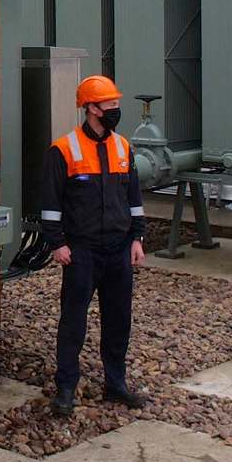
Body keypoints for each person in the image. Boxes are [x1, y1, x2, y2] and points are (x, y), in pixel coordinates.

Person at [38, 74, 147, 415]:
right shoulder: (63, 150)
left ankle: (116, 385)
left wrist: (137, 237)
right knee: (73, 322)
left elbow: (134, 198)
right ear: (91, 108)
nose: (115, 109)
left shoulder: (123, 147)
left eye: (116, 103)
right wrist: (57, 243)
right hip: (81, 252)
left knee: (118, 320)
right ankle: (66, 389)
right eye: (110, 104)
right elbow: (50, 203)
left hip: (119, 250)